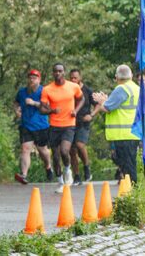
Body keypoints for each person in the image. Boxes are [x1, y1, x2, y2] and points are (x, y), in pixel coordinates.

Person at [90, 65, 140, 184]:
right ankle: (133, 192)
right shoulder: (136, 88)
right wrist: (107, 100)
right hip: (132, 133)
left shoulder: (122, 89)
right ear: (131, 76)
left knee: (127, 168)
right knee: (129, 165)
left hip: (123, 134)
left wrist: (101, 100)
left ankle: (134, 193)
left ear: (116, 77)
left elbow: (108, 107)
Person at [39, 63, 84, 193]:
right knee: (56, 156)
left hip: (69, 124)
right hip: (54, 126)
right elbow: (42, 109)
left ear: (64, 72)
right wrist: (52, 111)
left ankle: (67, 169)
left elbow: (82, 99)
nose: (58, 73)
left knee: (65, 151)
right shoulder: (47, 89)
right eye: (55, 71)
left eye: (60, 71)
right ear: (53, 73)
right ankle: (60, 182)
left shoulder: (73, 87)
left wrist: (76, 110)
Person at [13, 69, 53, 185]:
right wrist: (17, 111)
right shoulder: (22, 92)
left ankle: (48, 166)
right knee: (25, 149)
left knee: (42, 150)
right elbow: (16, 103)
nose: (32, 80)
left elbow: (49, 107)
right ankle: (24, 175)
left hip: (41, 126)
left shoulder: (44, 91)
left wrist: (34, 103)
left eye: (34, 78)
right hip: (26, 125)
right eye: (30, 77)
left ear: (39, 80)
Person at [68, 69, 96, 185]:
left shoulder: (87, 90)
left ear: (80, 78)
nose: (73, 80)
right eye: (71, 78)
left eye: (75, 78)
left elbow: (98, 105)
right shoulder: (68, 89)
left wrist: (91, 115)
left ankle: (86, 167)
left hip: (83, 123)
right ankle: (77, 176)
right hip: (70, 123)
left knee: (80, 145)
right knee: (72, 150)